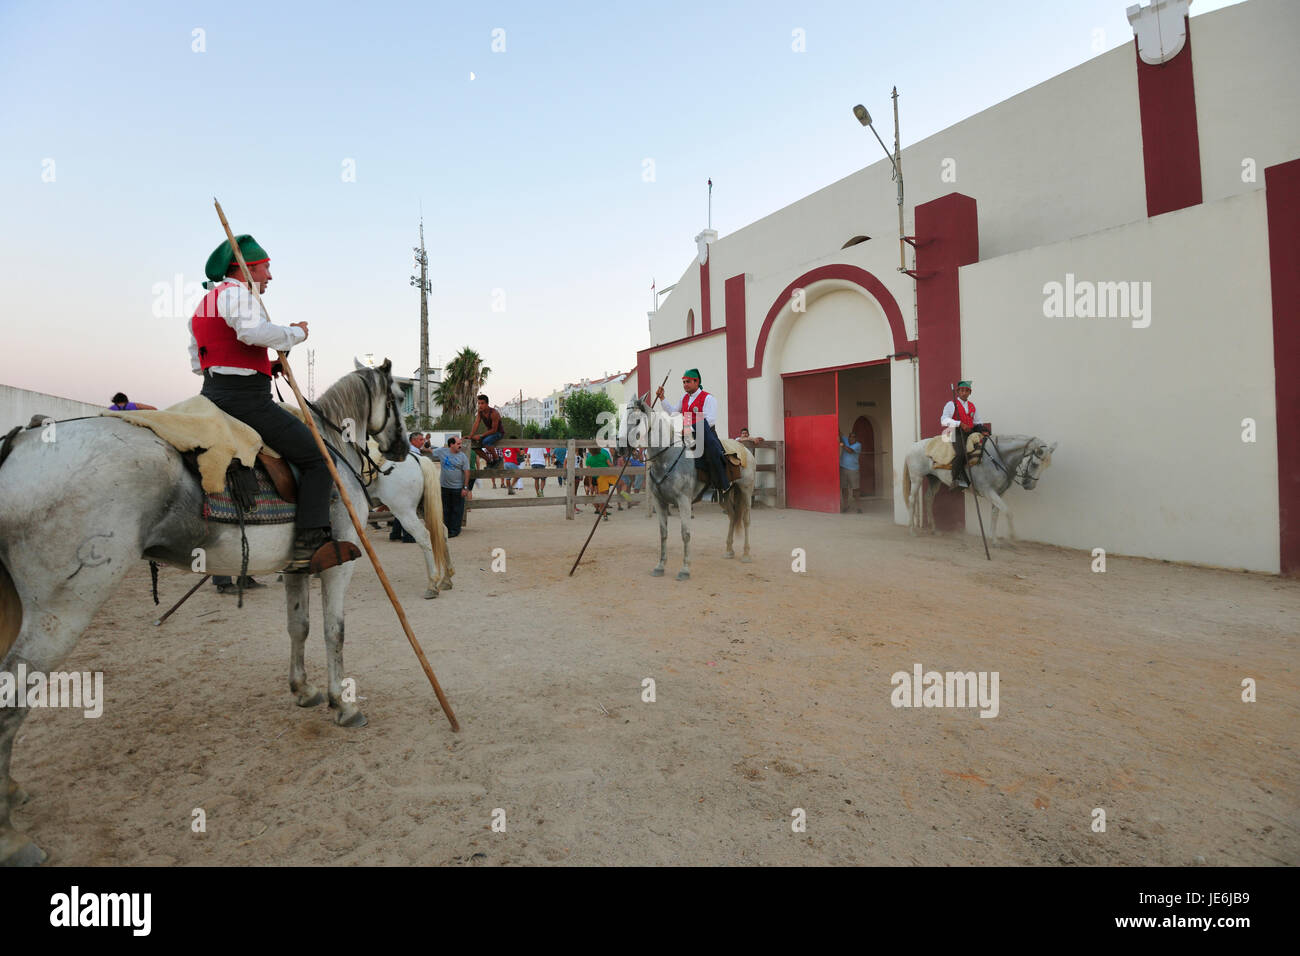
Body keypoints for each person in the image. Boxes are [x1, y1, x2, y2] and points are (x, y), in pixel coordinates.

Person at [188, 233, 351, 571]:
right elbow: (252, 334)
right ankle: (308, 544)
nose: (269, 277)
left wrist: (266, 365)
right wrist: (296, 334)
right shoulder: (239, 294)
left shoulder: (204, 304)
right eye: (264, 269)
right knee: (319, 459)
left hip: (212, 394)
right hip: (246, 401)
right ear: (245, 269)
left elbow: (200, 362)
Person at [655, 368, 729, 494]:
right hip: (687, 434)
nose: (685, 385)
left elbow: (710, 420)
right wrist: (662, 398)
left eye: (688, 382)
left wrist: (690, 428)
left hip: (705, 433)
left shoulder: (708, 398)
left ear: (696, 381)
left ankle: (723, 484)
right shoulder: (684, 398)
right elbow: (673, 412)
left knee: (713, 453)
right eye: (683, 382)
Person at [939, 380, 988, 488]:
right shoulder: (951, 404)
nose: (964, 393)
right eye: (962, 390)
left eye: (966, 391)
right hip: (955, 432)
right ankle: (955, 479)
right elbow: (943, 420)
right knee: (961, 454)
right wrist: (959, 423)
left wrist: (982, 429)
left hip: (969, 432)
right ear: (958, 392)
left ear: (970, 392)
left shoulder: (972, 406)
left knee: (983, 449)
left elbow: (977, 422)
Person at [429, 436, 471, 537]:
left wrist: (465, 487)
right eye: (458, 444)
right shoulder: (442, 452)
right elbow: (430, 451)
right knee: (445, 509)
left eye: (460, 444)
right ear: (451, 444)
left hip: (457, 488)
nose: (460, 446)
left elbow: (467, 473)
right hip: (444, 487)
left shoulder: (463, 457)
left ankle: (455, 530)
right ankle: (446, 529)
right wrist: (421, 447)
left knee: (457, 510)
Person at [467, 395, 505, 471]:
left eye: (482, 403)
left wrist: (481, 435)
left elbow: (494, 430)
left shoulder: (494, 413)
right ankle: (489, 462)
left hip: (498, 433)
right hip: (490, 433)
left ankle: (497, 459)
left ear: (487, 404)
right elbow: (476, 423)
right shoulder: (480, 412)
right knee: (474, 445)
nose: (480, 405)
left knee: (486, 441)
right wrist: (471, 435)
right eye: (479, 403)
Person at [839, 430, 863, 513]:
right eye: (850, 436)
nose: (851, 438)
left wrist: (841, 444)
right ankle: (846, 505)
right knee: (844, 488)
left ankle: (858, 507)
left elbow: (849, 451)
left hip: (853, 470)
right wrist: (833, 418)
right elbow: (840, 433)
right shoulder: (846, 440)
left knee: (855, 489)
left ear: (856, 438)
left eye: (853, 437)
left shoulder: (858, 445)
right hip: (843, 468)